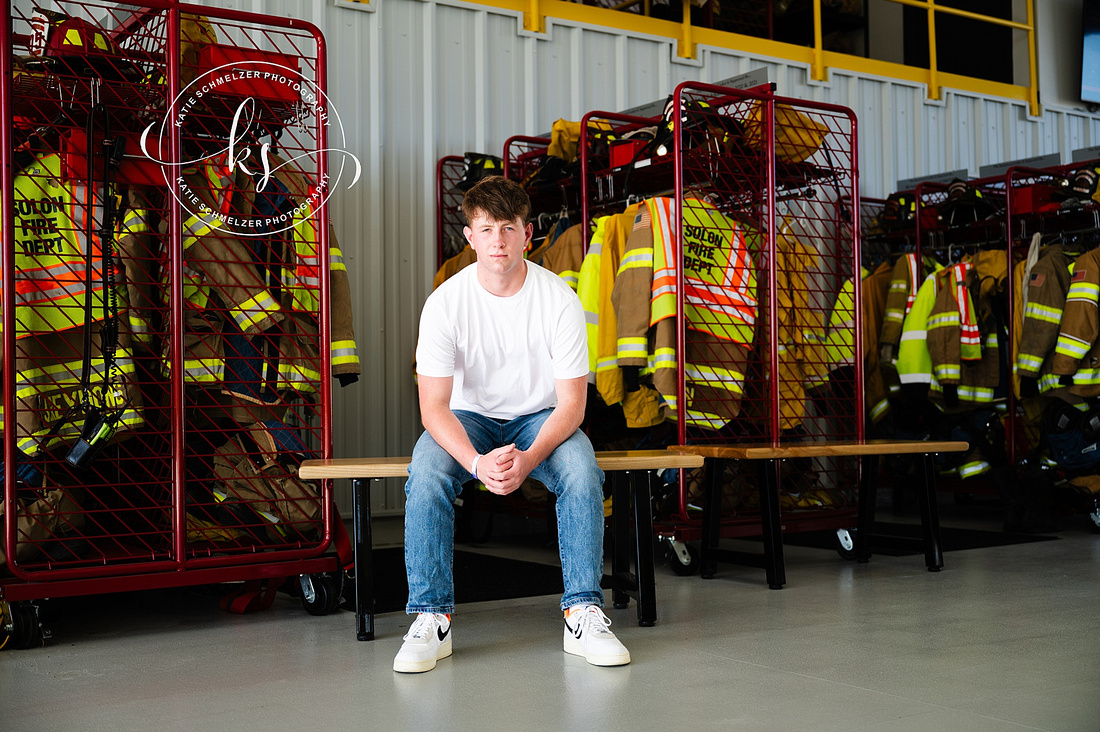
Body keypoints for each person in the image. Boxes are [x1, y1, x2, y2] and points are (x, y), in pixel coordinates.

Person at [394, 175, 630, 673]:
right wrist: (478, 464)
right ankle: (431, 618)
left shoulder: (559, 299)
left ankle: (583, 611)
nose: (497, 240)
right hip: (468, 418)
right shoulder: (444, 303)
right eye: (486, 229)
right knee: (428, 471)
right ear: (470, 237)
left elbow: (572, 404)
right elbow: (433, 407)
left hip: (539, 416)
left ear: (527, 234)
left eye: (508, 227)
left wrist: (528, 460)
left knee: (581, 471)